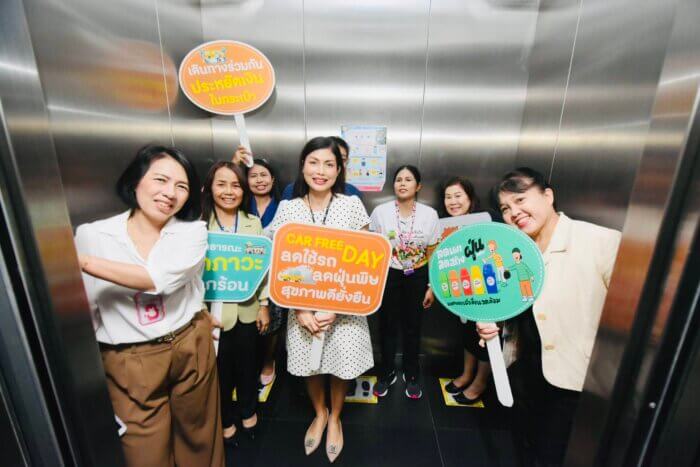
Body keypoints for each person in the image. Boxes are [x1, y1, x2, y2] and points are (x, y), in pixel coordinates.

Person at [74, 145, 224, 466]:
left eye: (181, 186)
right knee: (143, 452)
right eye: (160, 180)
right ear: (136, 181)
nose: (170, 193)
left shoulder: (192, 231)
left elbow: (158, 278)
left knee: (200, 437)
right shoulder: (93, 235)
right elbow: (85, 305)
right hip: (129, 356)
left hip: (190, 342)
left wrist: (81, 262)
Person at [476, 167, 621, 466]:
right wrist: (494, 322)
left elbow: (633, 321)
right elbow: (516, 306)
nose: (514, 213)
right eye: (505, 208)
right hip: (525, 373)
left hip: (575, 384)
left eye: (520, 200)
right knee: (526, 449)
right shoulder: (516, 250)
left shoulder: (600, 242)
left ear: (548, 195)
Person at [266, 136, 373, 463]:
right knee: (309, 366)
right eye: (314, 162)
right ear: (303, 166)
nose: (321, 171)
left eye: (329, 164)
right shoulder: (288, 208)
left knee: (341, 365)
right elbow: (281, 260)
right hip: (302, 307)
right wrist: (301, 308)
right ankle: (320, 413)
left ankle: (335, 417)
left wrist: (336, 306)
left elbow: (364, 260)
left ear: (339, 169)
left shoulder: (351, 205)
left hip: (345, 307)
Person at [201, 161, 270, 446]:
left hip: (248, 311)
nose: (229, 191)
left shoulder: (253, 223)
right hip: (211, 315)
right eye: (221, 184)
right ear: (210, 188)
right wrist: (199, 314)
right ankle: (225, 419)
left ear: (244, 190)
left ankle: (248, 411)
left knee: (248, 367)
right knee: (219, 372)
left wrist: (264, 304)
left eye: (236, 185)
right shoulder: (199, 225)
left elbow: (262, 268)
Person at [370, 165, 439, 400]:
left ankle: (411, 374)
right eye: (399, 179)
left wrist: (432, 286)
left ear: (418, 186)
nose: (402, 183)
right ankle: (386, 372)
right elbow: (371, 246)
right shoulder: (380, 212)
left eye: (408, 180)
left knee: (413, 326)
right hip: (389, 274)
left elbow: (433, 252)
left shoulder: (429, 214)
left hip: (417, 275)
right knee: (387, 326)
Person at [231, 149, 284, 386]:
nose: (259, 180)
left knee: (273, 322)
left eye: (264, 175)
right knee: (246, 323)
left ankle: (268, 360)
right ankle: (248, 364)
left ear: (272, 179)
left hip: (274, 276)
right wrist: (234, 164)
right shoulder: (239, 205)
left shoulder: (284, 207)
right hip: (242, 274)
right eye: (253, 176)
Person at [438, 177, 492, 405]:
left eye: (458, 196)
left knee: (484, 337)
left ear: (470, 198)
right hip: (463, 289)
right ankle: (467, 374)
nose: (453, 202)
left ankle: (480, 382)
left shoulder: (487, 221)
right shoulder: (447, 227)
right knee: (468, 333)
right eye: (448, 197)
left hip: (488, 291)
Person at [281, 136, 362, 200]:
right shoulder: (291, 191)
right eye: (314, 162)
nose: (321, 171)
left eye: (342, 159)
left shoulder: (352, 194)